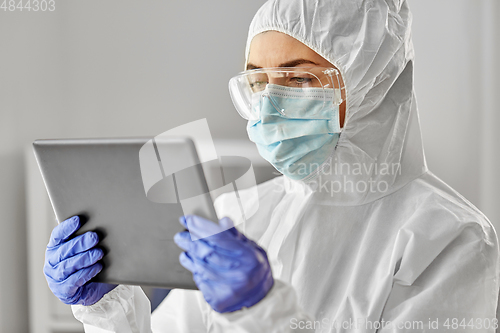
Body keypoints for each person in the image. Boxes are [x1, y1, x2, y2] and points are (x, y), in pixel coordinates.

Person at [43, 0, 500, 332]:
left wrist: (264, 311)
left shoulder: (451, 239)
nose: (269, 105)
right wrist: (111, 309)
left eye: (300, 78)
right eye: (259, 82)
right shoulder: (241, 215)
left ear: (372, 83)